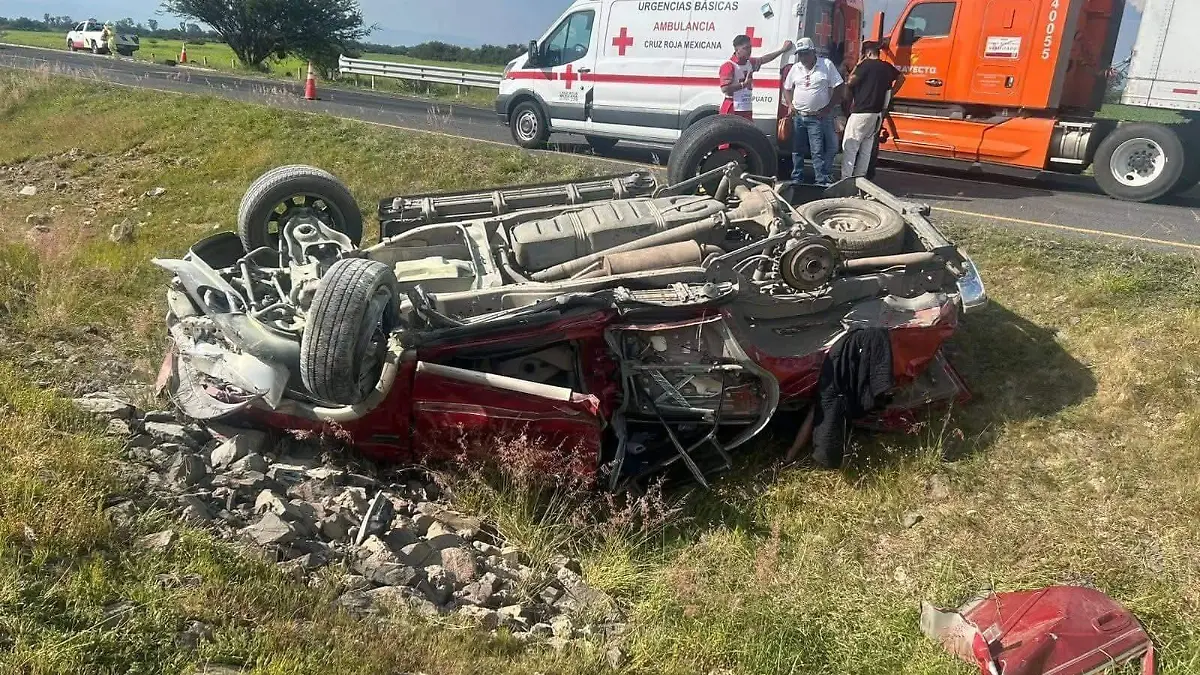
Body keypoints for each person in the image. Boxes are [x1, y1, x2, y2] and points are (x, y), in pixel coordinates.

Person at [784, 38, 846, 186]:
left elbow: (839, 86)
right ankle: (797, 178)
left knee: (817, 150)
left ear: (813, 52)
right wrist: (790, 104)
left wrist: (828, 108)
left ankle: (820, 179)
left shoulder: (826, 65)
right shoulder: (796, 68)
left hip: (817, 117)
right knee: (797, 149)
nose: (803, 58)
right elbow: (787, 88)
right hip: (799, 116)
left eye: (805, 54)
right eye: (800, 54)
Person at [842, 41, 904, 178]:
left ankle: (845, 179)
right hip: (876, 114)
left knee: (850, 146)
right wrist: (893, 92)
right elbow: (901, 77)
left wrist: (857, 65)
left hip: (861, 112)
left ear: (867, 53)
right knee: (866, 148)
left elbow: (850, 82)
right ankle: (860, 178)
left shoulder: (864, 66)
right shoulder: (887, 67)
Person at [719, 35, 793, 119]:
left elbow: (764, 59)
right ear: (737, 50)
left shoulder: (749, 63)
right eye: (745, 48)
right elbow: (725, 89)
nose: (749, 51)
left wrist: (782, 50)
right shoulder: (729, 65)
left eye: (750, 47)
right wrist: (743, 85)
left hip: (746, 107)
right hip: (732, 107)